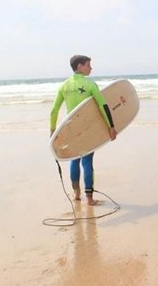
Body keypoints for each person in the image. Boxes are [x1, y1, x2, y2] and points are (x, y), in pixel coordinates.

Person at [50, 55, 117, 205]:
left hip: (71, 129)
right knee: (87, 162)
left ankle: (76, 193)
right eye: (88, 65)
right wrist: (111, 126)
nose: (91, 68)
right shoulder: (90, 85)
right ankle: (90, 198)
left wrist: (53, 131)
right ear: (80, 66)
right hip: (87, 129)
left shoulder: (64, 86)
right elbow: (103, 106)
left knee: (74, 160)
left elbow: (54, 110)